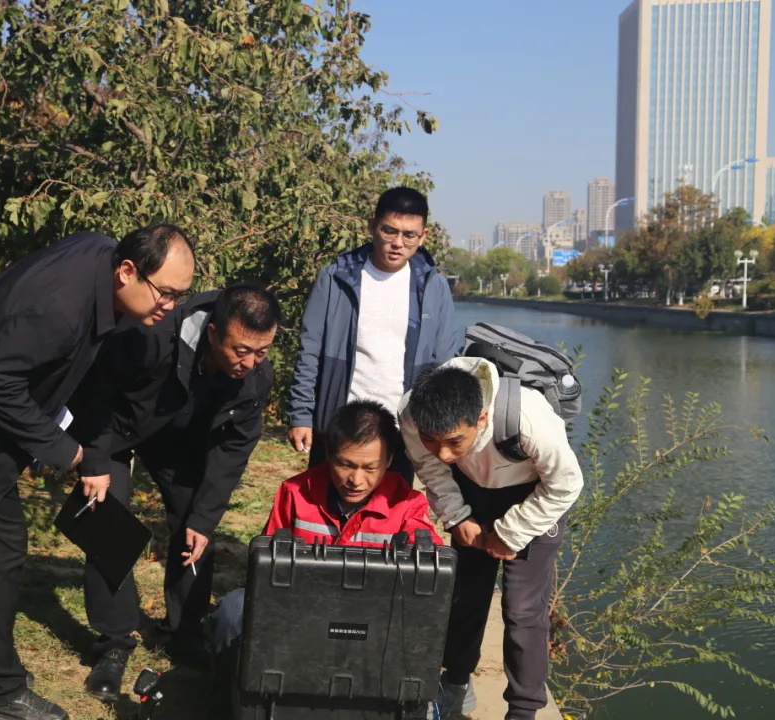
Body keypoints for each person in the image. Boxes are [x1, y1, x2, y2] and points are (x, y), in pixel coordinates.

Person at [0, 225, 195, 720]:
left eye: (181, 295)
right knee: (0, 548)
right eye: (166, 293)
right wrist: (65, 452)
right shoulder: (61, 311)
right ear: (127, 271)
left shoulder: (100, 256)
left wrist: (88, 454)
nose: (170, 306)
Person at [67, 282, 278, 701]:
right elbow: (98, 390)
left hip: (180, 443)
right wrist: (94, 460)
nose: (250, 363)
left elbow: (233, 450)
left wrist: (205, 517)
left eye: (262, 352)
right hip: (117, 427)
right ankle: (113, 642)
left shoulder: (255, 377)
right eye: (241, 351)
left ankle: (183, 633)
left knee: (196, 528)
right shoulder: (153, 332)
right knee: (103, 516)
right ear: (214, 333)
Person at [208, 400, 443, 718]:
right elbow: (266, 570)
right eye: (346, 464)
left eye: (369, 468)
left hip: (375, 625)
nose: (356, 480)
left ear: (389, 460)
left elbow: (428, 575)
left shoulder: (408, 505)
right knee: (233, 609)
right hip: (299, 616)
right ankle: (233, 705)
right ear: (329, 453)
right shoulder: (295, 493)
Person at [398, 358, 584, 720]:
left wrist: (510, 533)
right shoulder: (411, 412)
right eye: (430, 440)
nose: (443, 452)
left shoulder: (527, 416)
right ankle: (455, 684)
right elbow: (430, 466)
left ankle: (523, 710)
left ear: (481, 418)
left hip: (535, 497)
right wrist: (456, 515)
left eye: (455, 441)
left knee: (523, 610)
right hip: (471, 491)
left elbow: (566, 484)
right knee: (464, 594)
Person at [287, 187, 461, 482]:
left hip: (402, 429)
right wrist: (301, 413)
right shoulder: (336, 277)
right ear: (372, 226)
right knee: (326, 503)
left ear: (423, 236)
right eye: (389, 231)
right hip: (339, 422)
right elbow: (310, 349)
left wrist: (439, 425)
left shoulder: (433, 285)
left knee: (389, 508)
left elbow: (445, 361)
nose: (398, 243)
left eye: (409, 235)